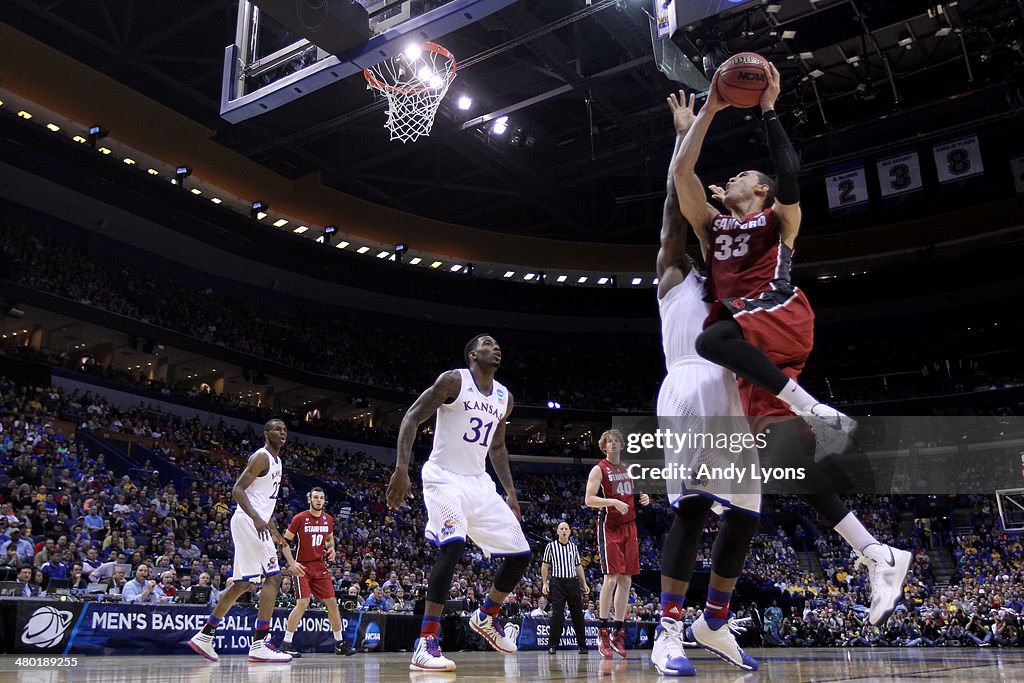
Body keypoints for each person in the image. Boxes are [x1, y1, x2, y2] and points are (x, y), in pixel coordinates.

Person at [670, 64, 911, 629]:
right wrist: (700, 118)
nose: (730, 178)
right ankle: (877, 553)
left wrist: (770, 109)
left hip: (778, 314)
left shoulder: (780, 220)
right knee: (786, 460)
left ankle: (815, 408)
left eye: (742, 175)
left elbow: (789, 171)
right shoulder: (711, 227)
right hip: (755, 352)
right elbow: (683, 176)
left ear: (760, 191)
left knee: (712, 336)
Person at [648, 91, 763, 677]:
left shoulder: (735, 283)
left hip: (733, 394)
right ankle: (666, 630)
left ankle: (712, 620)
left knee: (745, 513)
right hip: (689, 385)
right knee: (692, 509)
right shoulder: (675, 274)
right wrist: (683, 136)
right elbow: (675, 207)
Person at [387, 334, 532, 672]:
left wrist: (510, 492)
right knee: (452, 545)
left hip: (479, 483)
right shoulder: (454, 380)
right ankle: (426, 641)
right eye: (488, 343)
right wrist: (401, 467)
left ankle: (486, 616)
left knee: (520, 554)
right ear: (472, 354)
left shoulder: (504, 397)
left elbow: (497, 447)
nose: (496, 347)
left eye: (499, 344)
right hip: (443, 476)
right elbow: (411, 417)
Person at [189, 419, 292, 663]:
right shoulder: (262, 456)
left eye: (285, 430)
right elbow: (237, 490)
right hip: (248, 520)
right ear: (266, 434)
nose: (283, 433)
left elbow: (263, 501)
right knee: (274, 576)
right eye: (278, 429)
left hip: (254, 521)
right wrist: (257, 519)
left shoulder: (277, 461)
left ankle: (205, 635)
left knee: (244, 583)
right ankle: (260, 643)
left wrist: (274, 530)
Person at [585, 429, 650, 658]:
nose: (613, 444)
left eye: (616, 441)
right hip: (609, 526)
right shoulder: (599, 469)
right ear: (604, 447)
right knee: (611, 577)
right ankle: (602, 630)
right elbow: (589, 499)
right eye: (609, 442)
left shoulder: (628, 468)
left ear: (621, 445)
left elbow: (636, 493)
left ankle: (618, 631)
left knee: (626, 579)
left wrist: (644, 497)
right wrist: (611, 501)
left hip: (629, 525)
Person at [278, 487, 355, 657]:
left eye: (321, 497)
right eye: (315, 497)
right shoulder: (299, 518)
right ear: (309, 500)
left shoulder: (328, 519)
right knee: (303, 603)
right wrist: (292, 563)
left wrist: (332, 549)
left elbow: (329, 540)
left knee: (332, 603)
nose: (318, 500)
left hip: (320, 566)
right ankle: (286, 644)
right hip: (302, 566)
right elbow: (284, 543)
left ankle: (339, 644)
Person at [541, 522, 590, 655]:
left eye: (566, 529)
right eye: (561, 529)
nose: (563, 531)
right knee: (557, 614)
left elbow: (578, 566)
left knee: (578, 614)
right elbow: (545, 566)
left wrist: (584, 583)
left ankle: (582, 645)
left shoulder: (573, 547)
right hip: (557, 582)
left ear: (569, 532)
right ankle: (552, 645)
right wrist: (545, 583)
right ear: (557, 531)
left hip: (573, 582)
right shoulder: (550, 546)